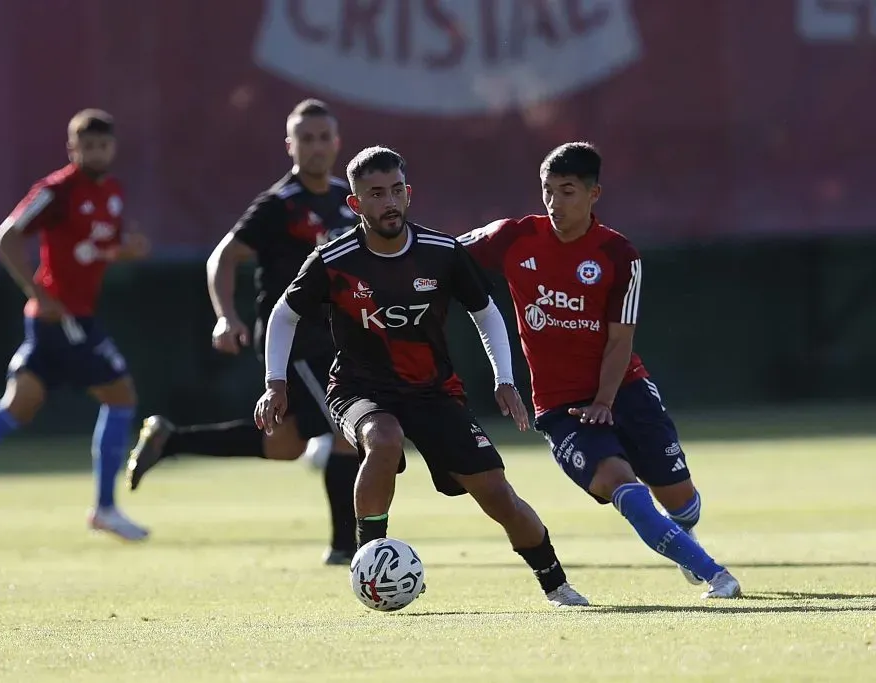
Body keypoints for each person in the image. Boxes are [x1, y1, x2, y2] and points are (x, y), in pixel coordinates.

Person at [255, 146, 589, 607]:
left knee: (496, 493)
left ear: (408, 194)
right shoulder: (334, 260)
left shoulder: (442, 252)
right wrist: (276, 381)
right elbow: (283, 315)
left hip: (434, 392)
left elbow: (487, 312)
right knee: (384, 439)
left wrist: (505, 379)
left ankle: (556, 583)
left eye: (396, 191)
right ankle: (370, 562)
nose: (388, 202)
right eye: (375, 194)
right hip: (359, 389)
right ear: (355, 204)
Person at [458, 141, 741, 599]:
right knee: (617, 484)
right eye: (547, 191)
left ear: (594, 195)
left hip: (623, 390)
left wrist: (604, 402)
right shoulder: (513, 237)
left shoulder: (618, 255)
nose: (554, 203)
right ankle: (716, 575)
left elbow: (619, 339)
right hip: (559, 406)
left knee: (680, 501)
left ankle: (683, 532)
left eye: (567, 191)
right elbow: (441, 253)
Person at [126, 99, 361, 564]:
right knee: (347, 433)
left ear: (336, 143)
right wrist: (225, 316)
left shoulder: (346, 200)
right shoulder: (278, 205)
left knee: (286, 446)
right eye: (305, 138)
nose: (315, 147)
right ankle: (345, 549)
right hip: (296, 341)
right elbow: (223, 257)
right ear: (290, 145)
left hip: (339, 338)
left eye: (322, 137)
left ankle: (171, 439)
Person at [0, 109, 151, 541]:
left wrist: (126, 249)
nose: (95, 152)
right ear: (72, 149)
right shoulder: (55, 190)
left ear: (113, 147)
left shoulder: (112, 190)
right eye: (86, 146)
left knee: (19, 406)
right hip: (64, 319)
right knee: (122, 395)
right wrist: (37, 292)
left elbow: (100, 246)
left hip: (67, 317)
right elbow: (6, 237)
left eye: (102, 145)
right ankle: (106, 508)